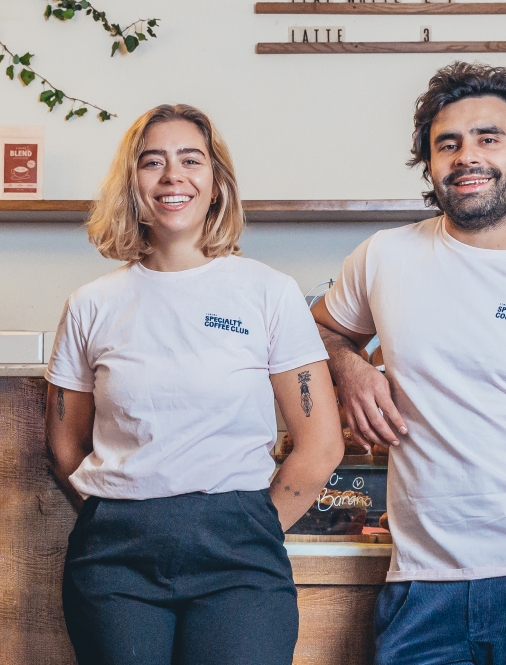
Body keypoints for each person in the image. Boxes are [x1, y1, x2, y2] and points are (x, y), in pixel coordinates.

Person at [311, 62, 506, 665]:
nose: (467, 157)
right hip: (420, 586)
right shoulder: (384, 257)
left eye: (489, 138)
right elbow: (319, 330)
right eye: (448, 144)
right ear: (429, 162)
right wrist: (350, 368)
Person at [45, 104, 343, 665]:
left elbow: (321, 444)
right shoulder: (90, 305)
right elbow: (65, 445)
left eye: (190, 160)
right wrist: (119, 515)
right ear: (131, 183)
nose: (172, 176)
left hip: (240, 553)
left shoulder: (269, 293)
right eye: (152, 162)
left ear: (216, 182)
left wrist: (252, 525)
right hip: (114, 559)